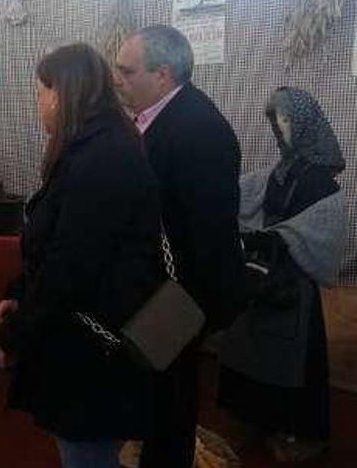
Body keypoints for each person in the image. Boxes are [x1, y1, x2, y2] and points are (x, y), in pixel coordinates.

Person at [0, 43, 162, 468]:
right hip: (84, 342)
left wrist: (12, 332)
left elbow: (71, 267)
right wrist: (20, 292)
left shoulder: (103, 156)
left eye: (43, 91)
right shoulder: (94, 146)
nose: (39, 102)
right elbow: (57, 245)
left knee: (88, 456)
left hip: (93, 353)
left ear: (65, 93)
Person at [114, 24, 244, 467]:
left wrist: (184, 311)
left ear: (164, 75)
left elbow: (206, 232)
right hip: (158, 292)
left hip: (178, 297)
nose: (119, 80)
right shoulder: (160, 119)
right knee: (155, 402)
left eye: (127, 72)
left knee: (171, 404)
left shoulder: (198, 129)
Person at [218, 87, 345, 463]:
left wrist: (276, 237)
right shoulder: (279, 171)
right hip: (261, 276)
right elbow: (250, 198)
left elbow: (324, 228)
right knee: (251, 347)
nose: (281, 127)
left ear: (305, 124)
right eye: (277, 120)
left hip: (293, 284)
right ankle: (255, 419)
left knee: (294, 358)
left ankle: (300, 432)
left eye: (287, 119)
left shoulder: (322, 180)